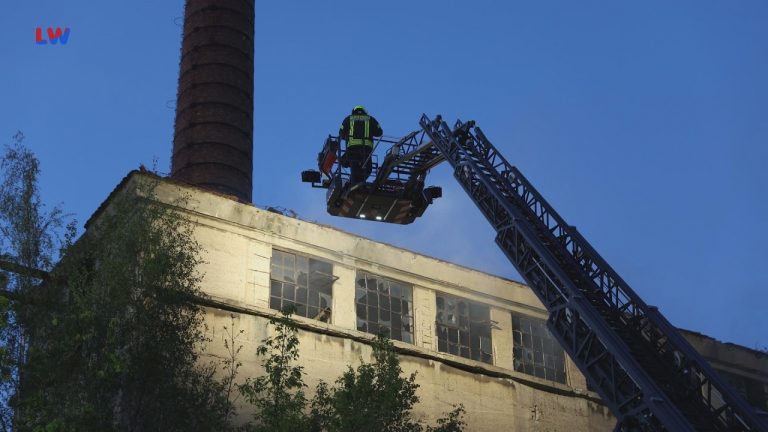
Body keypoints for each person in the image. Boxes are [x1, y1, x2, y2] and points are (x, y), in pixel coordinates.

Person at [338, 105, 383, 184]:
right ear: (364, 111)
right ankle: (359, 183)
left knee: (353, 167)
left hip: (352, 149)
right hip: (366, 149)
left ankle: (355, 184)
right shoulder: (370, 119)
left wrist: (346, 136)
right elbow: (379, 132)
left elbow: (341, 132)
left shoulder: (348, 119)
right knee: (368, 169)